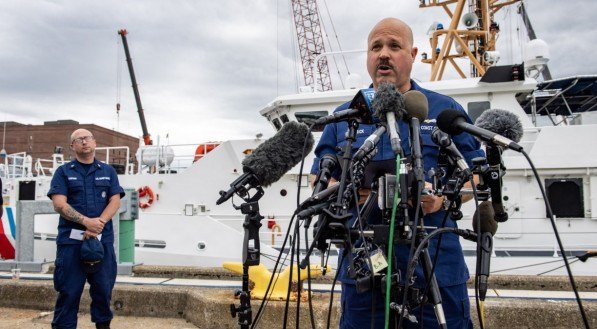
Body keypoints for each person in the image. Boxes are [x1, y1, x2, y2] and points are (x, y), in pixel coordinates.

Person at [310, 18, 484, 328]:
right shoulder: (346, 117)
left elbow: (477, 174)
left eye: (394, 46)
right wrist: (348, 192)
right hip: (365, 268)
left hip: (436, 267)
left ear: (413, 54)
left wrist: (442, 198)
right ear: (367, 57)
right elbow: (319, 179)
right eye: (375, 47)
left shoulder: (443, 110)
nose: (383, 54)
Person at [48, 129, 125, 329]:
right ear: (72, 146)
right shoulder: (63, 172)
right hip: (71, 243)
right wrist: (86, 222)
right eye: (78, 139)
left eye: (87, 138)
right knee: (69, 292)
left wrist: (98, 224)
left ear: (95, 143)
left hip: (102, 242)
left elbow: (115, 201)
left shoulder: (108, 171)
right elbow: (59, 204)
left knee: (103, 291)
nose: (84, 142)